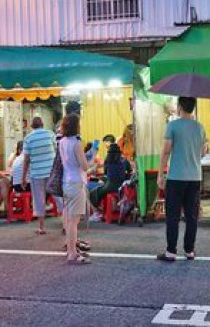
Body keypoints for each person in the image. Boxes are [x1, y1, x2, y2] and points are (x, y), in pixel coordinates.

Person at [157, 97, 206, 262]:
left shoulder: (173, 125)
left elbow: (165, 151)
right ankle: (189, 250)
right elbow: (203, 151)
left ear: (179, 107)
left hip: (176, 177)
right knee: (191, 216)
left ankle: (171, 251)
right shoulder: (200, 127)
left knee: (173, 215)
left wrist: (160, 174)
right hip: (195, 177)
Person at [59, 113, 91, 265]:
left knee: (69, 218)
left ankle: (71, 249)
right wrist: (90, 157)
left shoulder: (62, 142)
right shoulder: (76, 143)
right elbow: (84, 166)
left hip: (66, 182)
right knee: (74, 221)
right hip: (77, 183)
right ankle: (72, 253)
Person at [22, 117, 55, 235]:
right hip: (51, 172)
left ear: (31, 126)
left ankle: (41, 227)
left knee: (39, 199)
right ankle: (66, 226)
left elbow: (26, 159)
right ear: (43, 124)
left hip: (36, 173)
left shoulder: (28, 138)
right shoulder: (50, 134)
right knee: (59, 197)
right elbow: (57, 151)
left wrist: (23, 177)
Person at [89, 144, 132, 222]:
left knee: (93, 192)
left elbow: (106, 174)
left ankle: (97, 212)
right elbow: (130, 172)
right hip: (122, 187)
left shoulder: (108, 161)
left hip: (110, 187)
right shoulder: (125, 160)